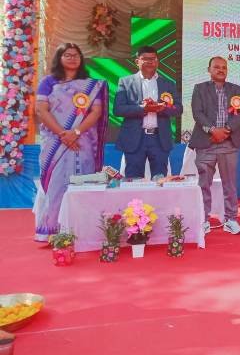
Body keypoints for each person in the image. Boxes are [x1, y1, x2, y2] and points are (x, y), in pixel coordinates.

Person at [34, 43, 108, 241]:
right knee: (56, 183)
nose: (72, 58)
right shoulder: (48, 82)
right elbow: (41, 110)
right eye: (67, 55)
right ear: (59, 58)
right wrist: (63, 134)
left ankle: (83, 230)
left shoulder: (91, 85)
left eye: (76, 55)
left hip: (82, 142)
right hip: (55, 143)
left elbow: (96, 112)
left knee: (84, 181)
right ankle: (53, 230)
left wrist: (75, 132)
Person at [189, 57, 240, 235]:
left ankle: (231, 220)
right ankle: (203, 220)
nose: (221, 70)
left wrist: (226, 130)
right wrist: (213, 130)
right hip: (207, 143)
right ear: (209, 69)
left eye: (224, 67)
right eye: (217, 67)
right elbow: (197, 113)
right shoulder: (200, 88)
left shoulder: (236, 89)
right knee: (204, 184)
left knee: (230, 185)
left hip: (229, 143)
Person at [114, 46, 182, 178]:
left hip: (159, 139)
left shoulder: (168, 83)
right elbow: (118, 109)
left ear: (157, 62)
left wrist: (162, 108)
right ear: (137, 61)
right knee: (133, 180)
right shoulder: (125, 82)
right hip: (135, 139)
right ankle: (134, 193)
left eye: (153, 59)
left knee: (160, 180)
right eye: (145, 59)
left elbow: (179, 108)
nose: (150, 62)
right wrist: (143, 109)